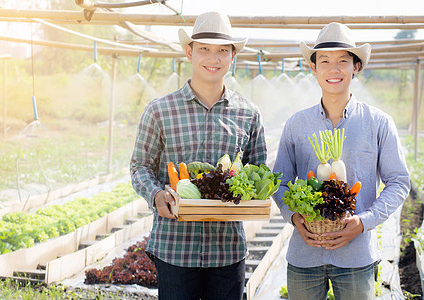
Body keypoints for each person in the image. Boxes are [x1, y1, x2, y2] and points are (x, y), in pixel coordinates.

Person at [130, 11, 267, 300]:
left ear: (233, 57)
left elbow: (259, 172)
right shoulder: (159, 111)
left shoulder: (248, 114)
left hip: (227, 250)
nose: (213, 58)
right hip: (175, 247)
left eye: (222, 51)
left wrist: (253, 196)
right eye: (204, 49)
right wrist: (155, 194)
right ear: (189, 52)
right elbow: (139, 166)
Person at [272, 22, 410, 299]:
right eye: (324, 61)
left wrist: (365, 221)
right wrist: (294, 217)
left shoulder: (378, 122)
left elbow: (398, 182)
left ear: (356, 67)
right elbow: (281, 181)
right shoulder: (297, 124)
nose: (333, 69)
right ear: (313, 68)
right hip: (304, 256)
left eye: (342, 61)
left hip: (357, 258)